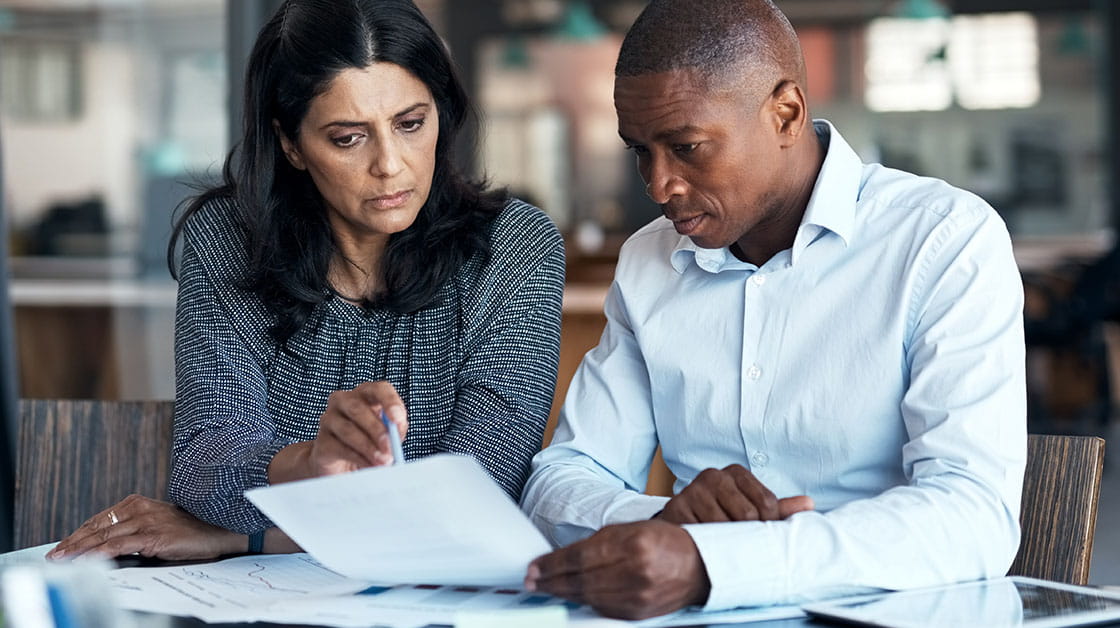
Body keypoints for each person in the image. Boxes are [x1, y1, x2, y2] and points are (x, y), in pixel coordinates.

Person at [520, 0, 1026, 620]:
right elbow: (561, 481)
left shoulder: (942, 240)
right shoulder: (650, 261)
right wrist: (665, 523)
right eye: (640, 152)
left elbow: (972, 518)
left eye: (686, 147)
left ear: (784, 113)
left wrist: (718, 564)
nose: (659, 186)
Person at [48, 0, 563, 561]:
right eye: (348, 138)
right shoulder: (227, 242)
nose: (391, 164)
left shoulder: (515, 247)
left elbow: (478, 497)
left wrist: (239, 538)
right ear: (291, 143)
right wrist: (313, 460)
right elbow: (203, 473)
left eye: (411, 124)